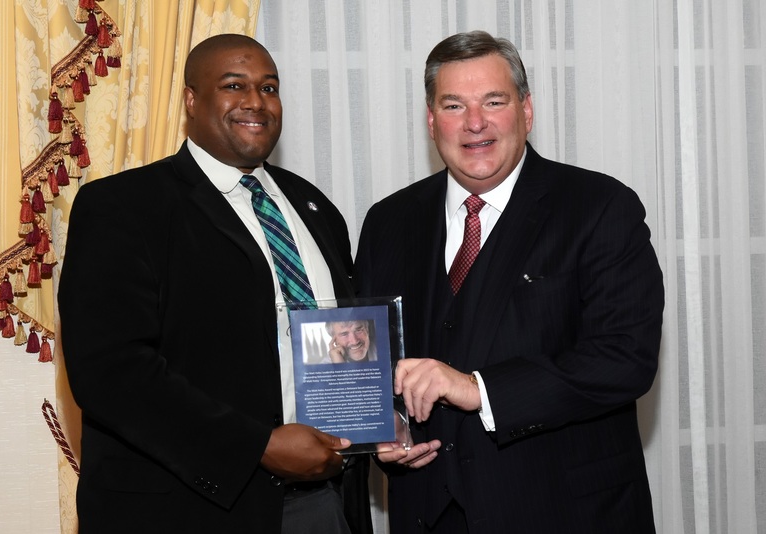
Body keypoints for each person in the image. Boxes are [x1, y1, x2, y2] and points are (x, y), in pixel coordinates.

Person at [58, 34, 372, 534]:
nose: (255, 101)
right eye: (234, 85)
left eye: (269, 87)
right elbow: (111, 372)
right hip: (186, 509)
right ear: (191, 99)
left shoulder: (314, 209)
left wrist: (374, 420)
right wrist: (258, 446)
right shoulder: (124, 207)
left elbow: (344, 338)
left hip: (320, 502)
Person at [356, 31, 664, 533]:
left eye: (493, 101)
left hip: (565, 513)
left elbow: (624, 359)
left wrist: (477, 388)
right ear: (431, 120)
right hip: (427, 514)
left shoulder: (600, 207)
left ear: (526, 110)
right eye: (454, 105)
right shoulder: (388, 222)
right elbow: (371, 358)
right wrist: (383, 429)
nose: (474, 123)